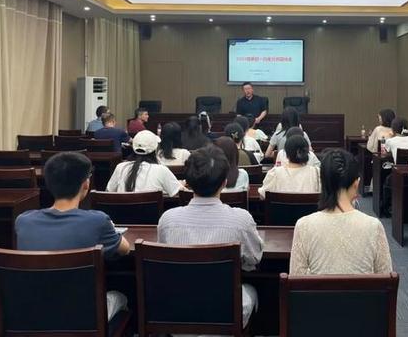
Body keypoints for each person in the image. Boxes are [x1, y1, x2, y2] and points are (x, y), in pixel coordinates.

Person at [158, 145, 263, 329]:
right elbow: (254, 259)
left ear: (187, 182)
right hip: (226, 316)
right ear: (224, 182)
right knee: (252, 290)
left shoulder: (168, 220)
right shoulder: (241, 220)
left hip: (176, 316)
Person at [15, 152, 129, 320]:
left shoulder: (23, 221)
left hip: (32, 313)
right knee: (122, 296)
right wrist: (110, 227)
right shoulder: (98, 221)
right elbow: (125, 249)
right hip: (82, 316)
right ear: (86, 184)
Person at [289, 148, 393, 275]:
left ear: (322, 182)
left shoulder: (304, 226)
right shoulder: (374, 226)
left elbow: (296, 277)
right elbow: (385, 278)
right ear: (356, 183)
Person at [106, 130, 180, 196]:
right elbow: (177, 192)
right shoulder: (162, 170)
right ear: (155, 150)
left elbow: (109, 192)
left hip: (122, 207)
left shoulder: (120, 167)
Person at [259, 134, 321, 199]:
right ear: (307, 152)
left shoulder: (274, 174)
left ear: (286, 154)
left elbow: (262, 196)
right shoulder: (317, 174)